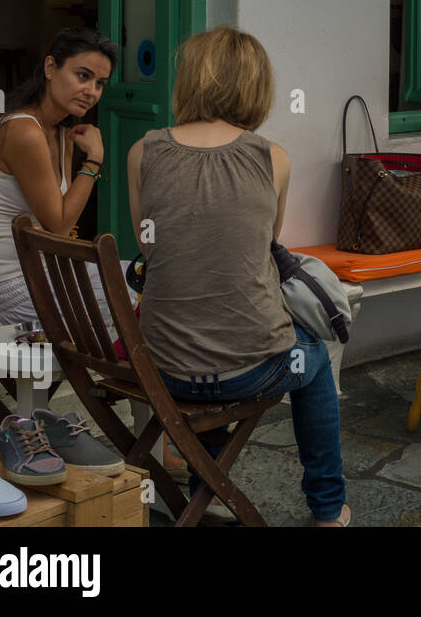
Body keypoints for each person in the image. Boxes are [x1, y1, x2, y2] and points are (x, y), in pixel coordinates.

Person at [126, 26, 348, 527]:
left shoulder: (144, 152)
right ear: (256, 87)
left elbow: (149, 246)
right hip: (254, 370)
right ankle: (328, 509)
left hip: (161, 366)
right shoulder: (273, 158)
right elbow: (265, 243)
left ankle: (204, 480)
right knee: (317, 357)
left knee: (198, 322)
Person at [0, 28, 116, 325]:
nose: (92, 91)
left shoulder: (61, 134)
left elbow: (62, 231)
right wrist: (95, 160)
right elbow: (59, 226)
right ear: (50, 68)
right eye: (83, 76)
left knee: (145, 283)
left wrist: (76, 155)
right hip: (13, 287)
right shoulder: (23, 131)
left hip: (47, 273)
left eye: (100, 83)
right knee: (143, 303)